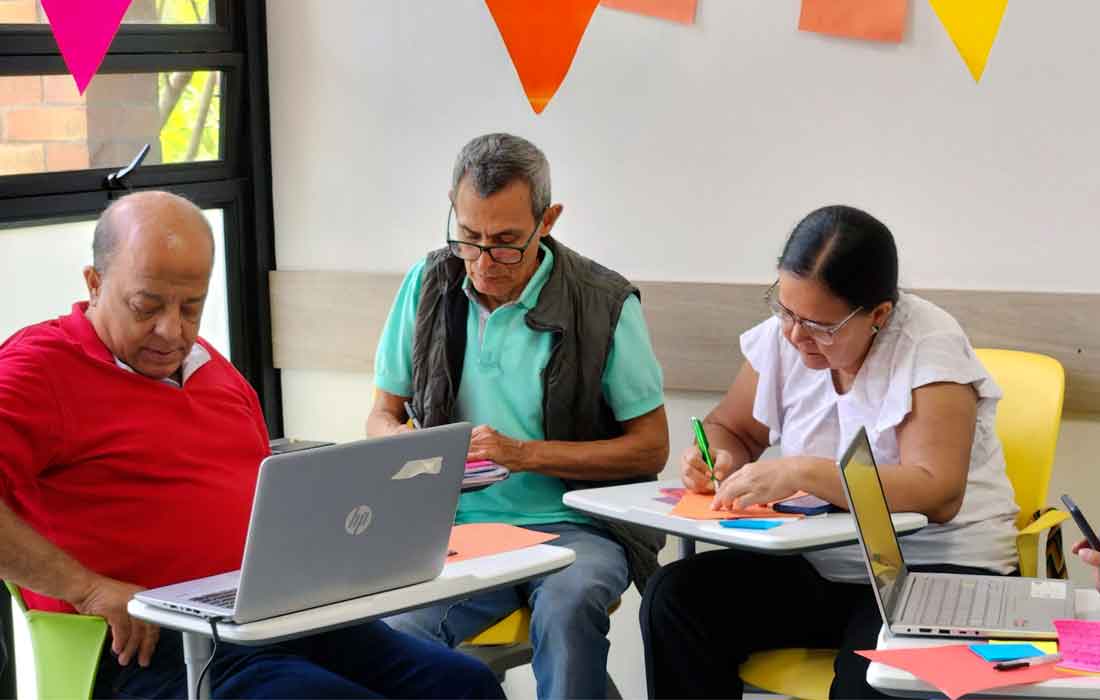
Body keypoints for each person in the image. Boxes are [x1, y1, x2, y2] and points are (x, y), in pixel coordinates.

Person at [0, 191, 503, 699]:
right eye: (146, 306)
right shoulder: (39, 369)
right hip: (150, 647)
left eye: (191, 307)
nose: (172, 331)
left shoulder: (213, 371)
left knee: (463, 685)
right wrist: (87, 589)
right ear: (94, 283)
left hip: (272, 615)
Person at [640, 205, 1021, 699]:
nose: (796, 336)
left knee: (868, 680)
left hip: (932, 574)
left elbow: (937, 490)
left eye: (820, 325)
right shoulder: (792, 337)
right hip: (822, 565)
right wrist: (714, 457)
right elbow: (731, 427)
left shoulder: (930, 346)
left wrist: (804, 472)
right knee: (675, 599)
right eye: (785, 310)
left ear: (878, 315)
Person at [368, 133, 669, 699]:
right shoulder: (428, 284)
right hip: (455, 532)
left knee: (569, 607)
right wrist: (411, 450)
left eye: (506, 242)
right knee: (399, 631)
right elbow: (382, 415)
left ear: (547, 221)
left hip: (578, 527)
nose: (484, 262)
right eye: (469, 238)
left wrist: (523, 454)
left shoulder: (604, 302)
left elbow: (651, 447)